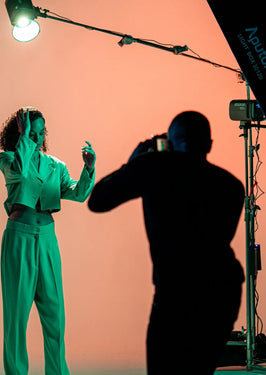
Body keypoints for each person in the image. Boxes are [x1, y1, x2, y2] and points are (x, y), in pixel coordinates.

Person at [87, 111, 244, 374]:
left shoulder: (153, 168)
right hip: (222, 290)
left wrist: (133, 163)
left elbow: (98, 200)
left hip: (175, 293)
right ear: (209, 145)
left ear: (170, 144)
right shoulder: (232, 185)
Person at [0, 107, 96, 375]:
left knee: (54, 315)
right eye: (32, 132)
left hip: (48, 240)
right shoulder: (8, 158)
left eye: (41, 132)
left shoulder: (55, 165)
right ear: (20, 131)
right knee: (17, 316)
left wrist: (88, 168)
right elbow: (20, 170)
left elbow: (77, 193)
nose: (38, 137)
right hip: (20, 238)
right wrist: (24, 137)